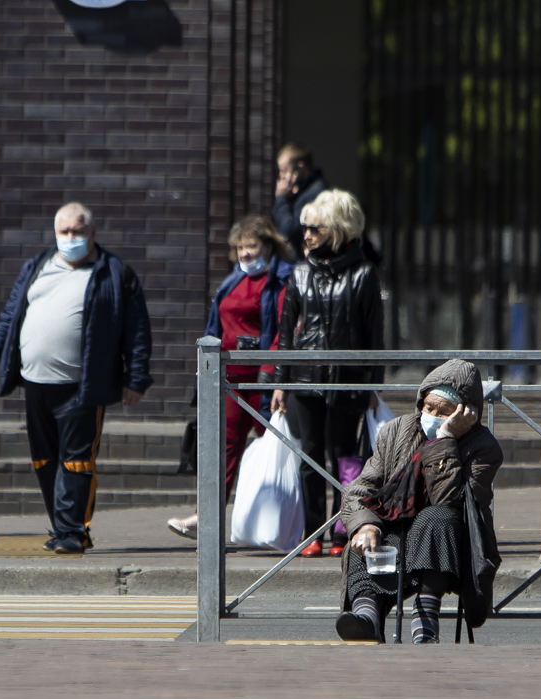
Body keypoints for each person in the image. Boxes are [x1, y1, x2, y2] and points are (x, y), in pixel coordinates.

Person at [0, 202, 153, 554]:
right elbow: (11, 315)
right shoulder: (37, 266)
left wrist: (136, 377)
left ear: (92, 233)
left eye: (78, 232)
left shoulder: (114, 272)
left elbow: (136, 329)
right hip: (35, 383)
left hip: (82, 386)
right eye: (64, 232)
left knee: (76, 460)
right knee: (44, 460)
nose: (70, 238)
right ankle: (63, 527)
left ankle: (73, 532)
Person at [336, 359, 503, 643]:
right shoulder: (395, 431)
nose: (433, 415)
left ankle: (425, 619)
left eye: (444, 411)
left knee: (436, 517)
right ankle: (367, 618)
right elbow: (359, 490)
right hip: (398, 534)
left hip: (451, 545)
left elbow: (451, 500)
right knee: (363, 536)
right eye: (428, 407)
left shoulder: (483, 447)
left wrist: (444, 439)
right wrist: (365, 525)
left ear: (466, 412)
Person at [271, 189, 383, 557]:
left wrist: (373, 385)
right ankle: (311, 532)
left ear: (335, 230)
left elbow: (373, 337)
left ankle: (342, 530)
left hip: (348, 381)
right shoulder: (300, 273)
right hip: (305, 380)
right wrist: (279, 383)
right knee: (310, 456)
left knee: (346, 459)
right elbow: (285, 333)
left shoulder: (364, 274)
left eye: (314, 229)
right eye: (304, 228)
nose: (305, 235)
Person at [166, 215, 294, 539]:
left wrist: (274, 375)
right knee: (223, 449)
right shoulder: (232, 281)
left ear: (268, 246)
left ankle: (285, 522)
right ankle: (205, 518)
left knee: (273, 449)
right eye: (240, 246)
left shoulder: (280, 282)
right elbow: (216, 327)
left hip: (260, 381)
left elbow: (284, 331)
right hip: (227, 379)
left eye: (251, 245)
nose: (245, 253)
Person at [272, 143, 328, 257]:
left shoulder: (314, 193)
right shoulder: (302, 191)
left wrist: (282, 198)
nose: (281, 176)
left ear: (300, 167)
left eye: (284, 170)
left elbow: (288, 232)